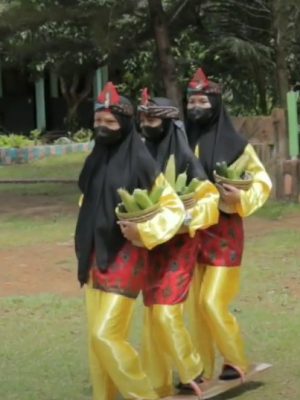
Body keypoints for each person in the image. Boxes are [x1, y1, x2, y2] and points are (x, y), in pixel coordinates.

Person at [75, 82, 185, 400]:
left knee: (105, 335)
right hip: (93, 256)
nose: (102, 128)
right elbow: (89, 203)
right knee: (97, 343)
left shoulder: (141, 161)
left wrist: (144, 232)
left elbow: (172, 208)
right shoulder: (93, 161)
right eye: (98, 122)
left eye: (110, 122)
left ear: (124, 124)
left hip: (126, 255)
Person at [183, 68, 272, 387]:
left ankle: (235, 360)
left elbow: (262, 180)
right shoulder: (180, 141)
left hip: (224, 234)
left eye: (201, 101)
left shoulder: (237, 145)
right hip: (191, 232)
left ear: (216, 104)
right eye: (191, 100)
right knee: (195, 306)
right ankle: (201, 368)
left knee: (211, 301)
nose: (195, 106)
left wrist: (240, 196)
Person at [138, 89, 219, 398]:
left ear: (167, 124)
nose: (146, 124)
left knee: (166, 311)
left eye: (152, 119)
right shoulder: (139, 155)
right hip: (150, 246)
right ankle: (157, 378)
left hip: (179, 247)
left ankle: (192, 370)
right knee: (152, 313)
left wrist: (183, 217)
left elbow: (209, 200)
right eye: (142, 119)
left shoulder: (184, 158)